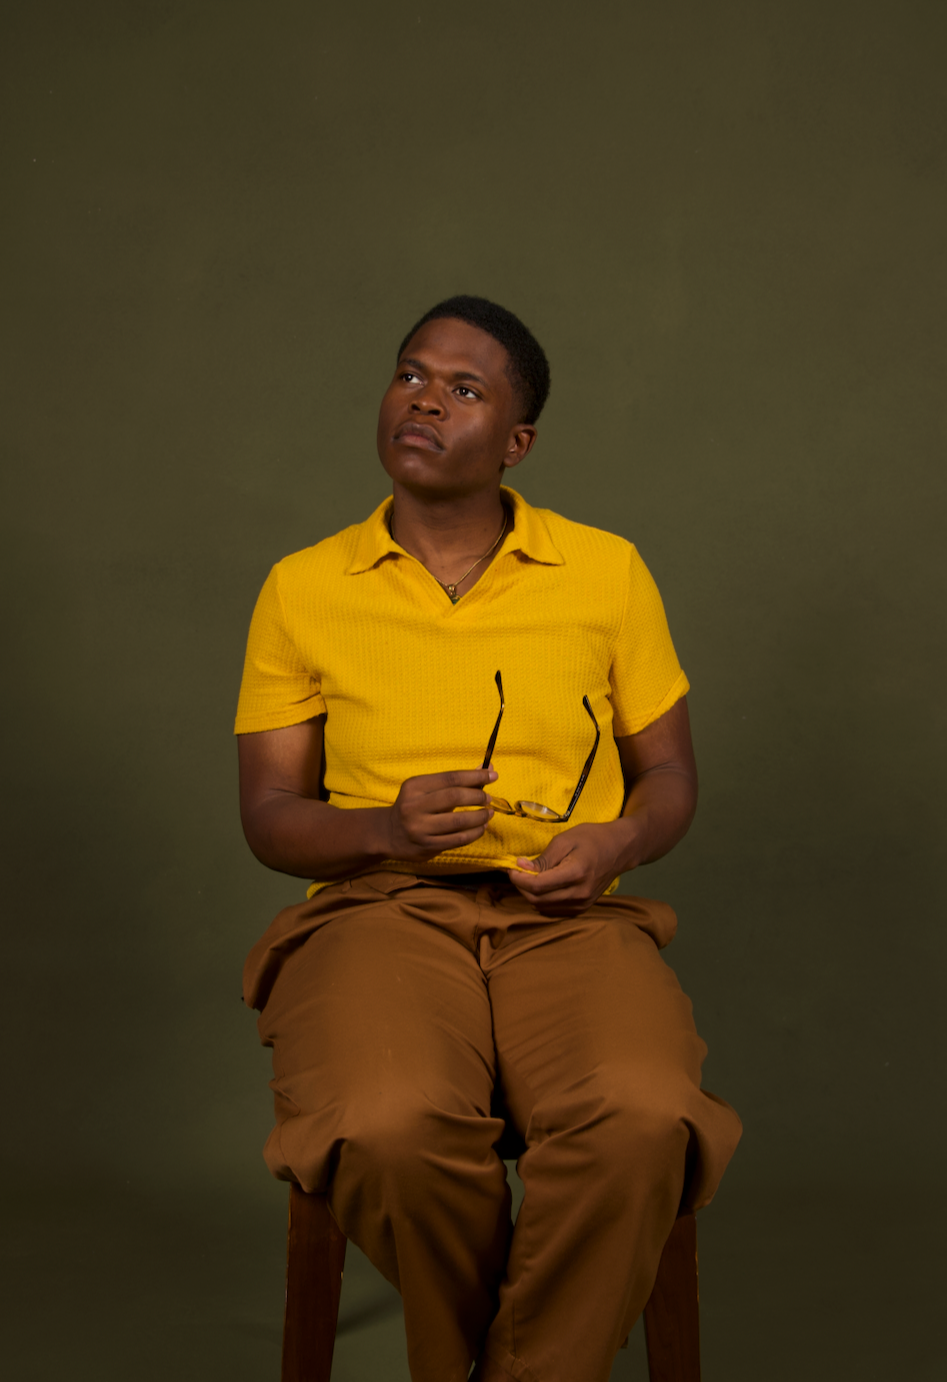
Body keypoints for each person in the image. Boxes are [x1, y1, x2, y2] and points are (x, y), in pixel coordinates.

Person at [235, 295, 741, 1382]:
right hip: (380, 910)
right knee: (383, 1119)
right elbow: (269, 818)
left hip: (567, 917)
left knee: (645, 1114)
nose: (423, 397)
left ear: (516, 442)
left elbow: (668, 774)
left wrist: (614, 843)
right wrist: (385, 825)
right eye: (410, 373)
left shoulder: (604, 570)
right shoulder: (302, 587)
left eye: (464, 388)